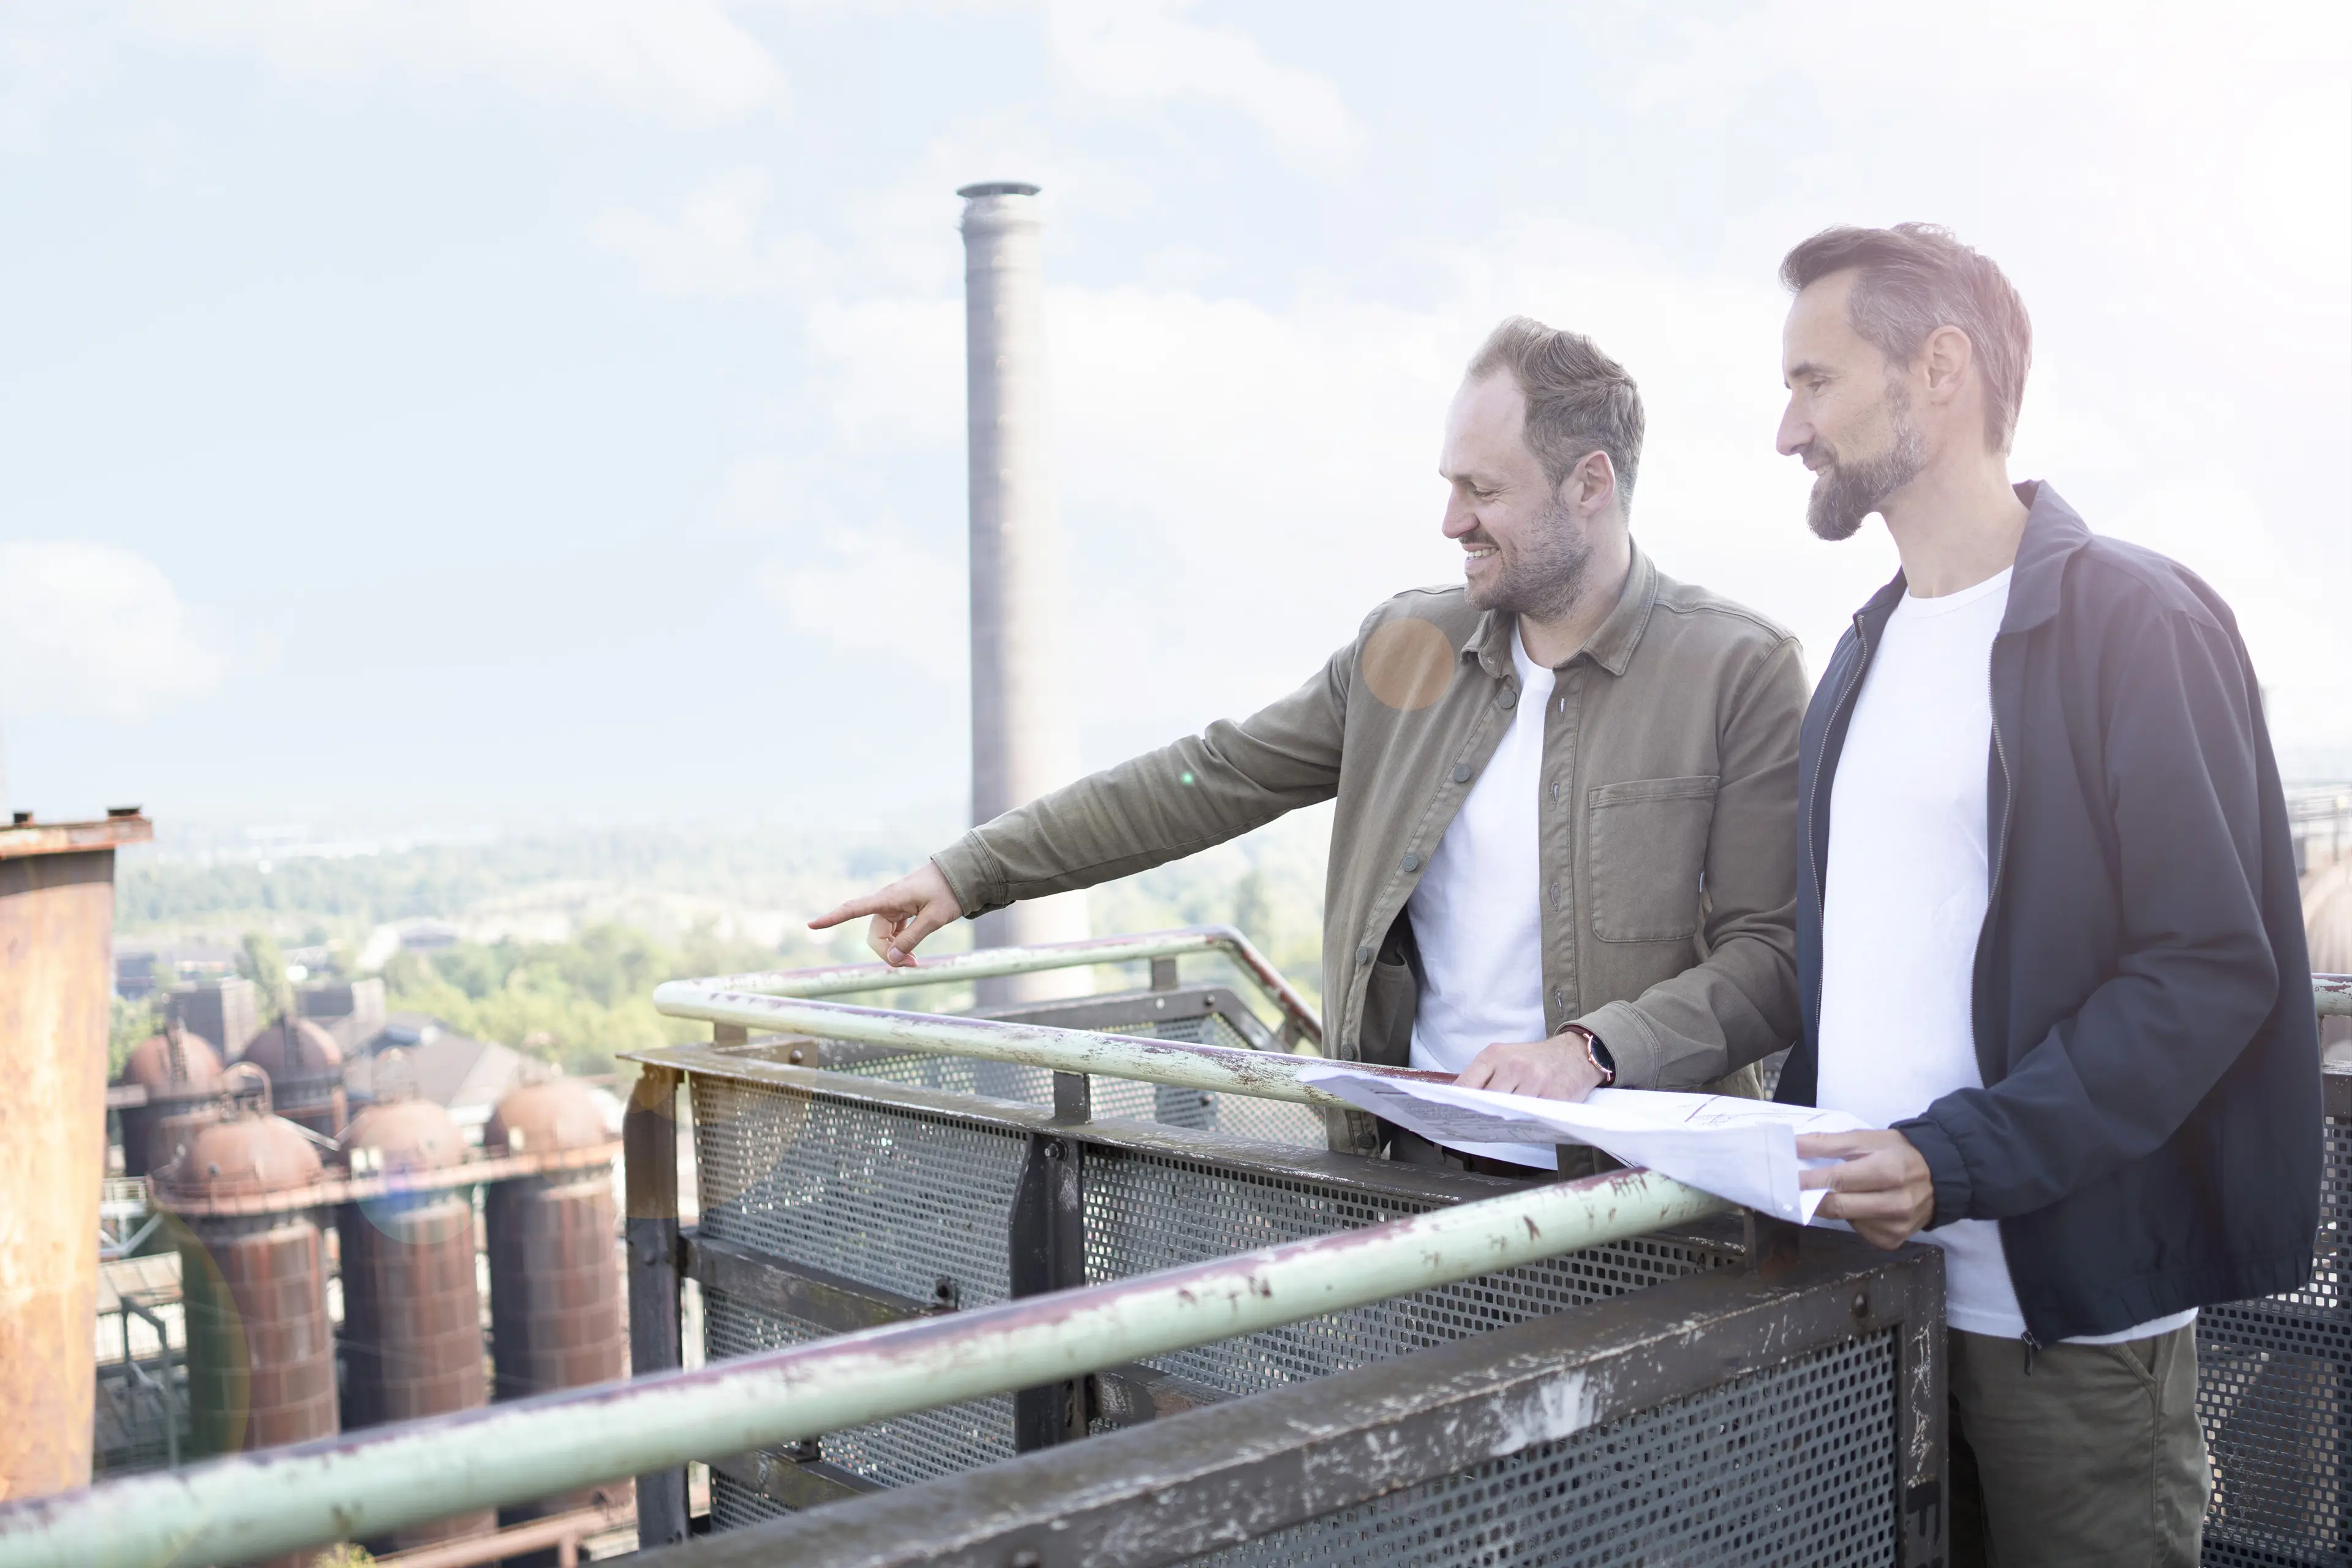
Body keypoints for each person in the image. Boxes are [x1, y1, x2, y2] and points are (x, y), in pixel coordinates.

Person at [815, 316, 1808, 1171]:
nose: (1452, 519)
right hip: (1411, 1179)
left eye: (1484, 490)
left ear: (1590, 483)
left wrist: (1593, 1050)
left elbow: (1774, 956)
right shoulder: (1405, 648)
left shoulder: (1740, 669)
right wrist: (968, 872)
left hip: (1644, 1199)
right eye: (1450, 484)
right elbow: (1209, 776)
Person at [1771, 224, 2321, 1567]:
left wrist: (1956, 1158)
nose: (1788, 427)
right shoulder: (1858, 655)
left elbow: (2205, 968)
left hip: (2067, 1338)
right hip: (1872, 1312)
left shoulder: (2138, 620)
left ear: (1939, 368)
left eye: (1814, 379)